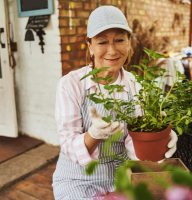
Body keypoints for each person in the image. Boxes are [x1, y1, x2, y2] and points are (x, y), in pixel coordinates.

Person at [52, 6, 178, 200]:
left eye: (119, 40)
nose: (112, 50)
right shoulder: (71, 85)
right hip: (77, 180)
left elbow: (133, 143)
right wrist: (95, 134)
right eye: (102, 42)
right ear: (90, 47)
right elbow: (69, 146)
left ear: (129, 43)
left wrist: (159, 137)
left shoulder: (134, 84)